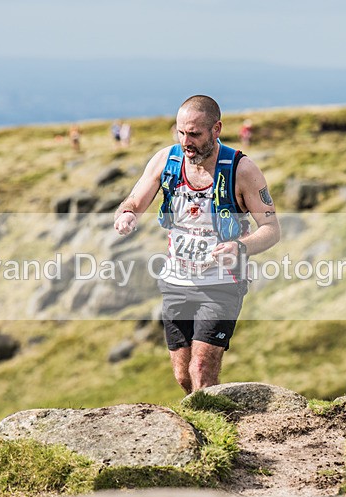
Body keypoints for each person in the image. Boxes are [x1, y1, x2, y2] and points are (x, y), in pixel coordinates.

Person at [114, 95, 280, 393]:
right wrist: (126, 215)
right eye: (180, 132)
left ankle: (213, 430)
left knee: (202, 368)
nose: (186, 141)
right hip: (176, 281)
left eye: (194, 134)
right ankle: (207, 422)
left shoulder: (241, 170)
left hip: (222, 284)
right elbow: (135, 200)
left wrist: (240, 248)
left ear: (216, 129)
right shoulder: (167, 160)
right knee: (183, 375)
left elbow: (270, 228)